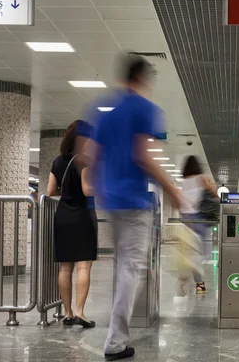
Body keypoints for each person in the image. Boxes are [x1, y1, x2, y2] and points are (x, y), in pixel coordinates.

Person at [78, 55, 183, 361]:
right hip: (135, 201)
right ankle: (115, 342)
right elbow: (143, 157)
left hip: (110, 200)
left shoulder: (101, 108)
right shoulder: (145, 108)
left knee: (123, 264)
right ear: (142, 79)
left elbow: (89, 155)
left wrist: (99, 186)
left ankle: (117, 337)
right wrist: (173, 189)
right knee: (130, 269)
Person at [47, 120, 97, 329]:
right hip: (82, 216)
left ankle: (67, 313)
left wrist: (67, 193)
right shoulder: (84, 161)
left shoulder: (58, 161)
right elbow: (87, 190)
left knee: (65, 267)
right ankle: (80, 312)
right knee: (83, 265)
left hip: (63, 216)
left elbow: (50, 191)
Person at [180, 155, 219, 294]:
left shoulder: (184, 181)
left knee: (191, 251)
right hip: (199, 218)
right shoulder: (201, 178)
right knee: (203, 253)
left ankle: (188, 277)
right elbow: (214, 194)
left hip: (185, 218)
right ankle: (198, 282)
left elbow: (182, 202)